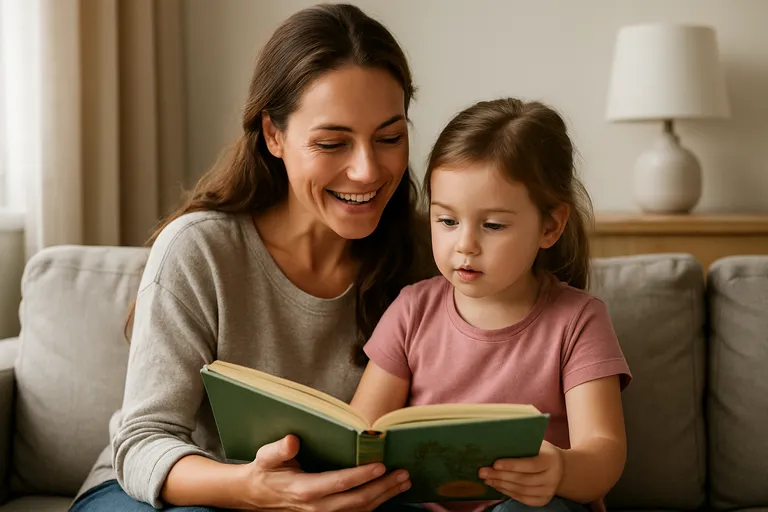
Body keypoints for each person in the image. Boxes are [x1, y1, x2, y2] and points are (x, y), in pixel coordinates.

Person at [69, 3, 434, 511]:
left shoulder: (431, 257)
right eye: (332, 143)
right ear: (273, 135)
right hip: (170, 495)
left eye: (390, 138)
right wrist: (253, 490)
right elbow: (143, 442)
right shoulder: (199, 250)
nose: (368, 170)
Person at [350, 98, 633, 512]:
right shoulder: (412, 310)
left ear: (550, 226)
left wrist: (562, 470)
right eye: (446, 220)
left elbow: (604, 451)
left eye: (493, 225)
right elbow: (364, 434)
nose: (465, 244)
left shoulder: (578, 321)